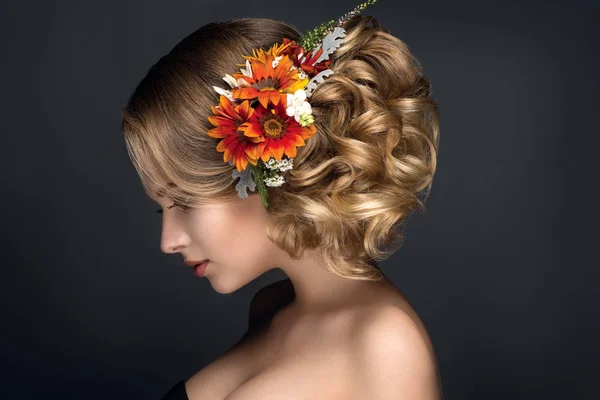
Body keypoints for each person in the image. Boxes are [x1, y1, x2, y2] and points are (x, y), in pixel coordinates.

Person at [120, 4, 442, 399]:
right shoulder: (272, 308)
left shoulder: (384, 343)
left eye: (185, 202)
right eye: (161, 207)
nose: (168, 242)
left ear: (265, 170)